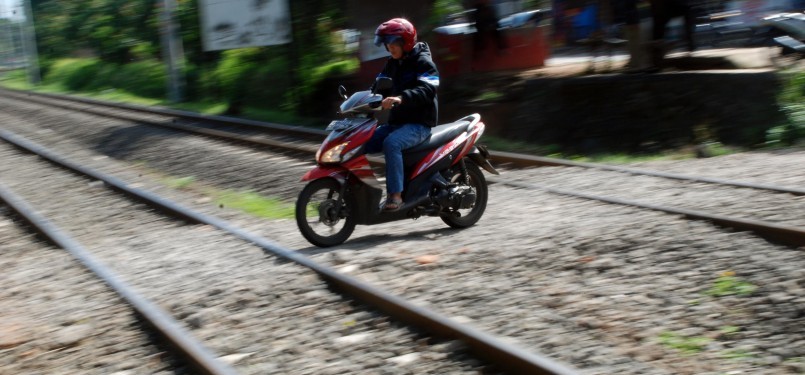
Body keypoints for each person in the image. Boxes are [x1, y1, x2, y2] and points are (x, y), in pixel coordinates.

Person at [366, 18, 439, 212]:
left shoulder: (423, 61)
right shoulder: (391, 64)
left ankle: (396, 196)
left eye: (393, 42)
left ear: (405, 42)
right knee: (362, 140)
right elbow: (376, 87)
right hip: (398, 122)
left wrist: (401, 98)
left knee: (392, 143)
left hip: (419, 124)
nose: (389, 47)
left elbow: (428, 89)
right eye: (387, 43)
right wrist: (361, 101)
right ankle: (360, 192)